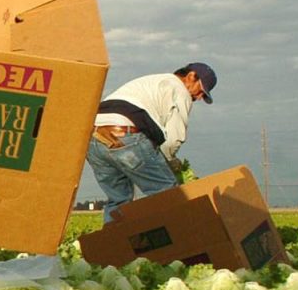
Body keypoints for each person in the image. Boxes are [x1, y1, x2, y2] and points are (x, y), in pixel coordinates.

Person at [86, 62, 217, 222]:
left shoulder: (151, 81)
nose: (198, 98)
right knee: (167, 193)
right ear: (191, 76)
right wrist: (171, 164)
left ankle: (113, 243)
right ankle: (179, 242)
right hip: (126, 135)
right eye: (201, 92)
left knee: (119, 202)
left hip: (93, 139)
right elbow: (173, 140)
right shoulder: (179, 89)